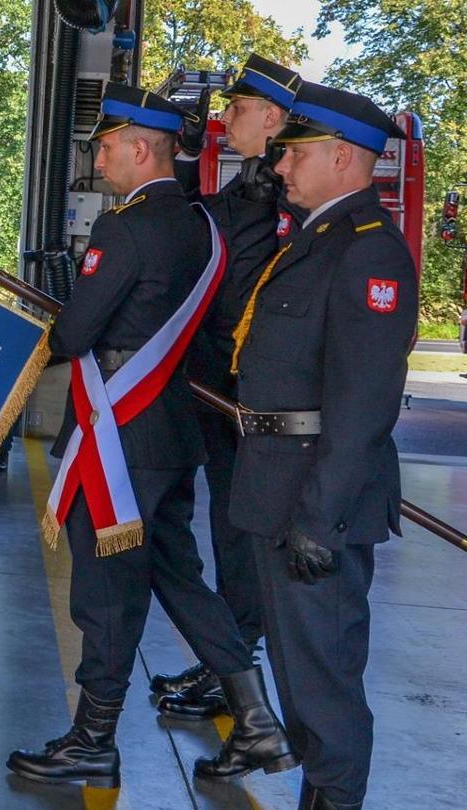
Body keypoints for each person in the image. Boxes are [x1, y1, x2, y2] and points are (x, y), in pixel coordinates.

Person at [8, 84, 294, 790]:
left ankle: (93, 739)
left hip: (118, 442)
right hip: (169, 438)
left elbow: (76, 334)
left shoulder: (125, 230)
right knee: (181, 580)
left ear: (141, 149)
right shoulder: (203, 228)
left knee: (106, 593)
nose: (99, 160)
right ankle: (255, 720)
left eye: (106, 148)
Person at [229, 82, 415, 810]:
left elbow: (362, 406)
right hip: (278, 489)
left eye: (295, 155)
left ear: (342, 157)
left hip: (314, 502)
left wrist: (320, 516)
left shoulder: (369, 255)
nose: (281, 168)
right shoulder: (313, 243)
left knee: (325, 694)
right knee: (301, 686)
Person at [150, 54, 304, 721]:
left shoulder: (285, 195)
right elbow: (200, 222)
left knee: (243, 536)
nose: (224, 118)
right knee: (227, 528)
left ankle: (237, 665)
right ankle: (228, 659)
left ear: (271, 118)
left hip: (250, 395)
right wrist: (182, 157)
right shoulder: (251, 183)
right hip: (216, 384)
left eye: (237, 109)